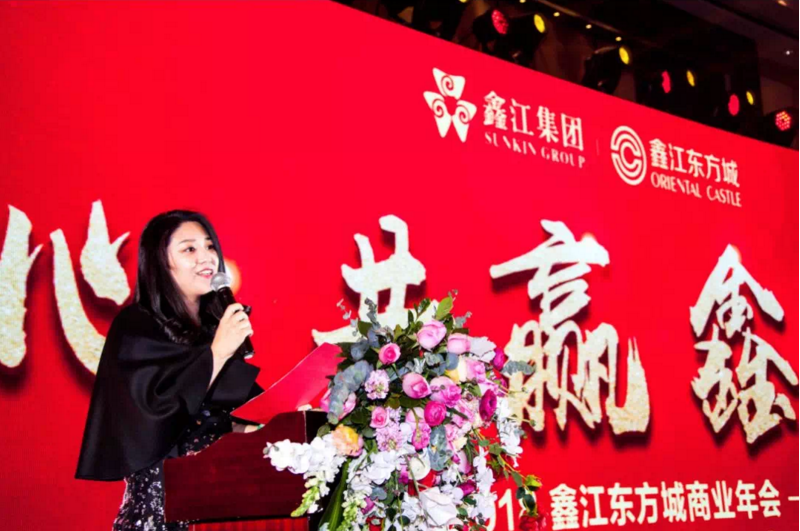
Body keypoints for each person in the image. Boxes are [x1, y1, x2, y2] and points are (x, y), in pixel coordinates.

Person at [75, 210, 263, 530]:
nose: (206, 257)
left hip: (216, 512)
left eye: (210, 247)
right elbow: (153, 419)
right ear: (160, 261)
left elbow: (218, 421)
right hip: (159, 516)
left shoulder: (212, 331)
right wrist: (217, 353)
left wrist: (278, 427)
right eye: (189, 249)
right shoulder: (136, 327)